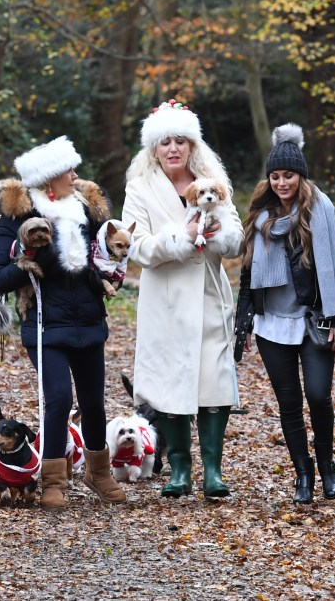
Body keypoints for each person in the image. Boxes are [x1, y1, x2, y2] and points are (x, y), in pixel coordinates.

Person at [0, 136, 126, 509]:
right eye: (69, 169)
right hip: (46, 326)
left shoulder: (89, 213)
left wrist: (114, 272)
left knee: (94, 402)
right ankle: (52, 479)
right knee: (60, 398)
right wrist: (37, 256)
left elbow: (106, 255)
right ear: (50, 177)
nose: (76, 175)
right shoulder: (18, 220)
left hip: (88, 320)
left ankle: (99, 473)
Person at [121, 99, 244, 498]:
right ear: (153, 149)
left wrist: (216, 236)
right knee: (167, 383)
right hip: (165, 300)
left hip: (208, 294)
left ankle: (212, 470)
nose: (173, 149)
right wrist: (181, 237)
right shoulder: (139, 188)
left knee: (214, 381)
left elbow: (237, 238)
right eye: (164, 142)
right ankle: (179, 469)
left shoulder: (214, 182)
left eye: (180, 141)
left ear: (192, 145)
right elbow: (133, 246)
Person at [234, 123, 335, 504]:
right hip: (271, 324)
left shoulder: (321, 210)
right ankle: (303, 475)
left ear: (300, 176)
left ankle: (328, 468)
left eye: (289, 175)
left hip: (313, 320)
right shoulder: (261, 216)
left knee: (318, 396)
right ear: (269, 178)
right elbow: (249, 274)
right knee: (288, 403)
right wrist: (244, 322)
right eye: (276, 176)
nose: (282, 182)